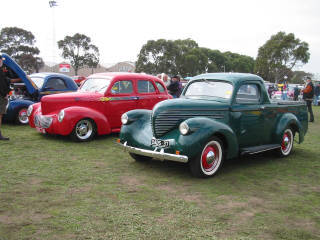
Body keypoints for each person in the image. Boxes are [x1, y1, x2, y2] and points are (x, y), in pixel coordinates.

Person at [0, 55, 21, 140]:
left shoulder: (2, 72)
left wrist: (21, 78)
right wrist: (4, 94)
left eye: (1, 60)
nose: (1, 61)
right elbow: (2, 85)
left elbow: (8, 80)